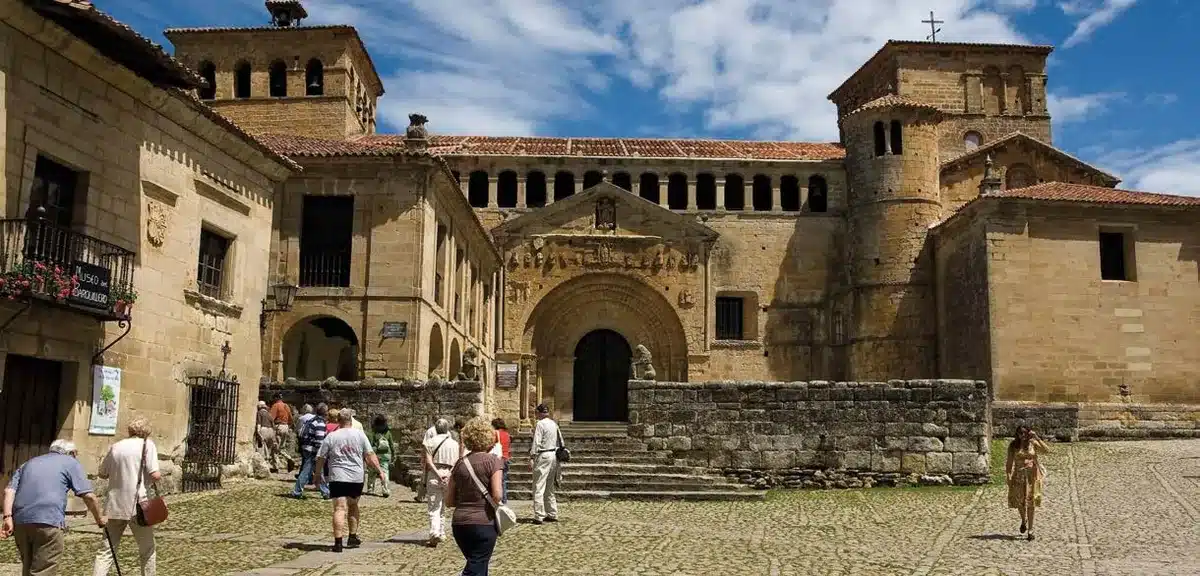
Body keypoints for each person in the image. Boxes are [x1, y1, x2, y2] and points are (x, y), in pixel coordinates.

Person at [2, 440, 106, 576]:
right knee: (43, 570)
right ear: (72, 453)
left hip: (21, 521)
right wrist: (100, 519)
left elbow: (9, 491)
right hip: (49, 521)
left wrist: (7, 517)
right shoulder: (71, 462)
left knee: (28, 568)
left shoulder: (28, 463)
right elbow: (89, 496)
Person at [93, 417, 161, 575]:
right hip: (138, 505)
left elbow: (103, 473)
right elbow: (155, 474)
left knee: (106, 551)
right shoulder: (147, 445)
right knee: (147, 549)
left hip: (114, 505)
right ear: (146, 432)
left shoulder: (116, 447)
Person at [314, 410, 387, 553]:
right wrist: (380, 471)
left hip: (338, 476)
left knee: (339, 508)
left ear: (338, 420)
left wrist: (317, 474)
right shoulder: (360, 435)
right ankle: (352, 536)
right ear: (351, 420)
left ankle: (338, 542)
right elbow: (370, 455)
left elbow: (321, 457)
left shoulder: (332, 436)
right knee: (353, 505)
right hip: (356, 476)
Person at [446, 418, 504, 576]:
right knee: (476, 565)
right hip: (483, 522)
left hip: (460, 523)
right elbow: (498, 495)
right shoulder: (493, 462)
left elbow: (449, 501)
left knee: (478, 563)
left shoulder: (459, 464)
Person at [1006, 425, 1051, 541]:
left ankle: (1030, 530)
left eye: (1025, 433)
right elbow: (1009, 463)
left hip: (1033, 477)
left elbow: (1047, 451)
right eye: (1020, 433)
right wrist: (1008, 476)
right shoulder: (1013, 446)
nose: (1023, 435)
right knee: (1020, 502)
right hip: (1018, 476)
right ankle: (1023, 519)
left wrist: (1037, 437)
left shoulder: (1033, 443)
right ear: (1017, 434)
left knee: (1032, 503)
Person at [422, 418, 460, 548]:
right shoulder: (455, 444)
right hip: (449, 475)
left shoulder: (429, 442)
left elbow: (428, 462)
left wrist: (438, 474)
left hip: (434, 474)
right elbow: (457, 462)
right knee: (443, 505)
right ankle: (442, 531)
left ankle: (434, 532)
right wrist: (448, 474)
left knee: (434, 506)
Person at [529, 404, 561, 524]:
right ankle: (552, 513)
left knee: (538, 485)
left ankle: (539, 515)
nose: (536, 415)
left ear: (539, 412)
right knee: (549, 486)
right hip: (553, 454)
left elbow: (536, 441)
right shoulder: (554, 423)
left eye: (536, 413)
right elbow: (559, 440)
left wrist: (532, 456)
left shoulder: (540, 424)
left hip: (543, 455)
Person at [293, 403, 330, 499]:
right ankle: (296, 491)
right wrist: (321, 454)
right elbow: (319, 441)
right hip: (313, 451)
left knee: (318, 471)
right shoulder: (320, 423)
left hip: (306, 447)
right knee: (307, 471)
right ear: (325, 413)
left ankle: (325, 492)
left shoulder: (312, 420)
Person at [366, 415, 395, 497]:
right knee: (385, 472)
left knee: (372, 472)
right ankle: (385, 489)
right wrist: (393, 454)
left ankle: (370, 489)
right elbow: (391, 445)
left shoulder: (373, 432)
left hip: (375, 454)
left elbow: (370, 444)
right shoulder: (388, 432)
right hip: (385, 455)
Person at [269, 394, 296, 472]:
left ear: (276, 398)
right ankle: (289, 459)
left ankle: (276, 467)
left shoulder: (275, 405)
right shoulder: (286, 406)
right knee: (282, 447)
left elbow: (271, 418)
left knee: (275, 448)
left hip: (278, 427)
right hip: (285, 426)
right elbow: (291, 418)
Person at [415, 420, 440, 502]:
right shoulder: (447, 432)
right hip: (441, 457)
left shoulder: (430, 431)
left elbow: (425, 446)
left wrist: (423, 458)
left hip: (431, 456)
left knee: (425, 477)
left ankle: (421, 496)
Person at [491, 418, 512, 504]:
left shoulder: (495, 433)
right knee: (503, 481)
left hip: (498, 458)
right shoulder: (507, 434)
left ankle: (499, 500)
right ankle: (504, 500)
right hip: (506, 458)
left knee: (497, 481)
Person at [255, 401, 278, 471]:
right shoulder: (269, 414)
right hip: (271, 431)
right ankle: (270, 465)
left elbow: (259, 423)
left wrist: (258, 432)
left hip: (264, 429)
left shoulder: (259, 413)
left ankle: (263, 466)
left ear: (259, 407)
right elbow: (273, 426)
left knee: (262, 448)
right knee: (268, 449)